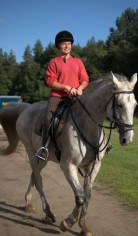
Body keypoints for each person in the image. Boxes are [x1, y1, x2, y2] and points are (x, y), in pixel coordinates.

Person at [36, 30, 89, 161]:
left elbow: (85, 79)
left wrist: (81, 88)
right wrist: (66, 87)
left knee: (91, 115)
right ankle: (45, 148)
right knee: (49, 119)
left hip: (75, 97)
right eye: (64, 43)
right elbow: (49, 81)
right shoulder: (54, 62)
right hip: (57, 97)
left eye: (69, 43)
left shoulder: (78, 62)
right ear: (59, 46)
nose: (67, 46)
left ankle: (99, 145)